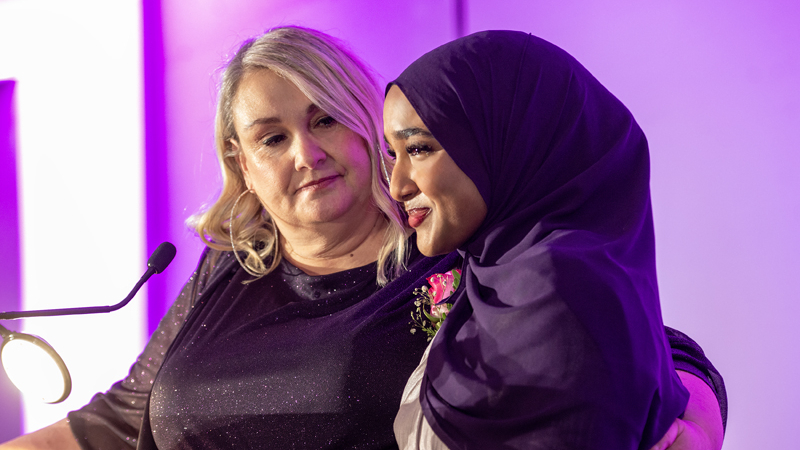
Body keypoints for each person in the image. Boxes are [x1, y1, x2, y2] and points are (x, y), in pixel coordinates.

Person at [0, 26, 723, 450]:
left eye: (325, 122)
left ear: (368, 125)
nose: (305, 156)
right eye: (272, 138)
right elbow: (117, 423)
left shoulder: (444, 250)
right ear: (241, 166)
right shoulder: (225, 273)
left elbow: (628, 341)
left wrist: (697, 417)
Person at [383, 30, 726, 450]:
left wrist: (703, 412)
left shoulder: (561, 290)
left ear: (509, 141)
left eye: (418, 148)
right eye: (392, 154)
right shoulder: (496, 274)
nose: (397, 185)